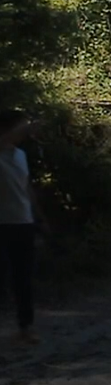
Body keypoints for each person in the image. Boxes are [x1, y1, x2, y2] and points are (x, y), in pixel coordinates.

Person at [0, 110, 46, 345]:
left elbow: (26, 187)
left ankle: (25, 326)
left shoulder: (20, 155)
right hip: (2, 222)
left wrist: (39, 217)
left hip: (22, 221)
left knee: (23, 278)